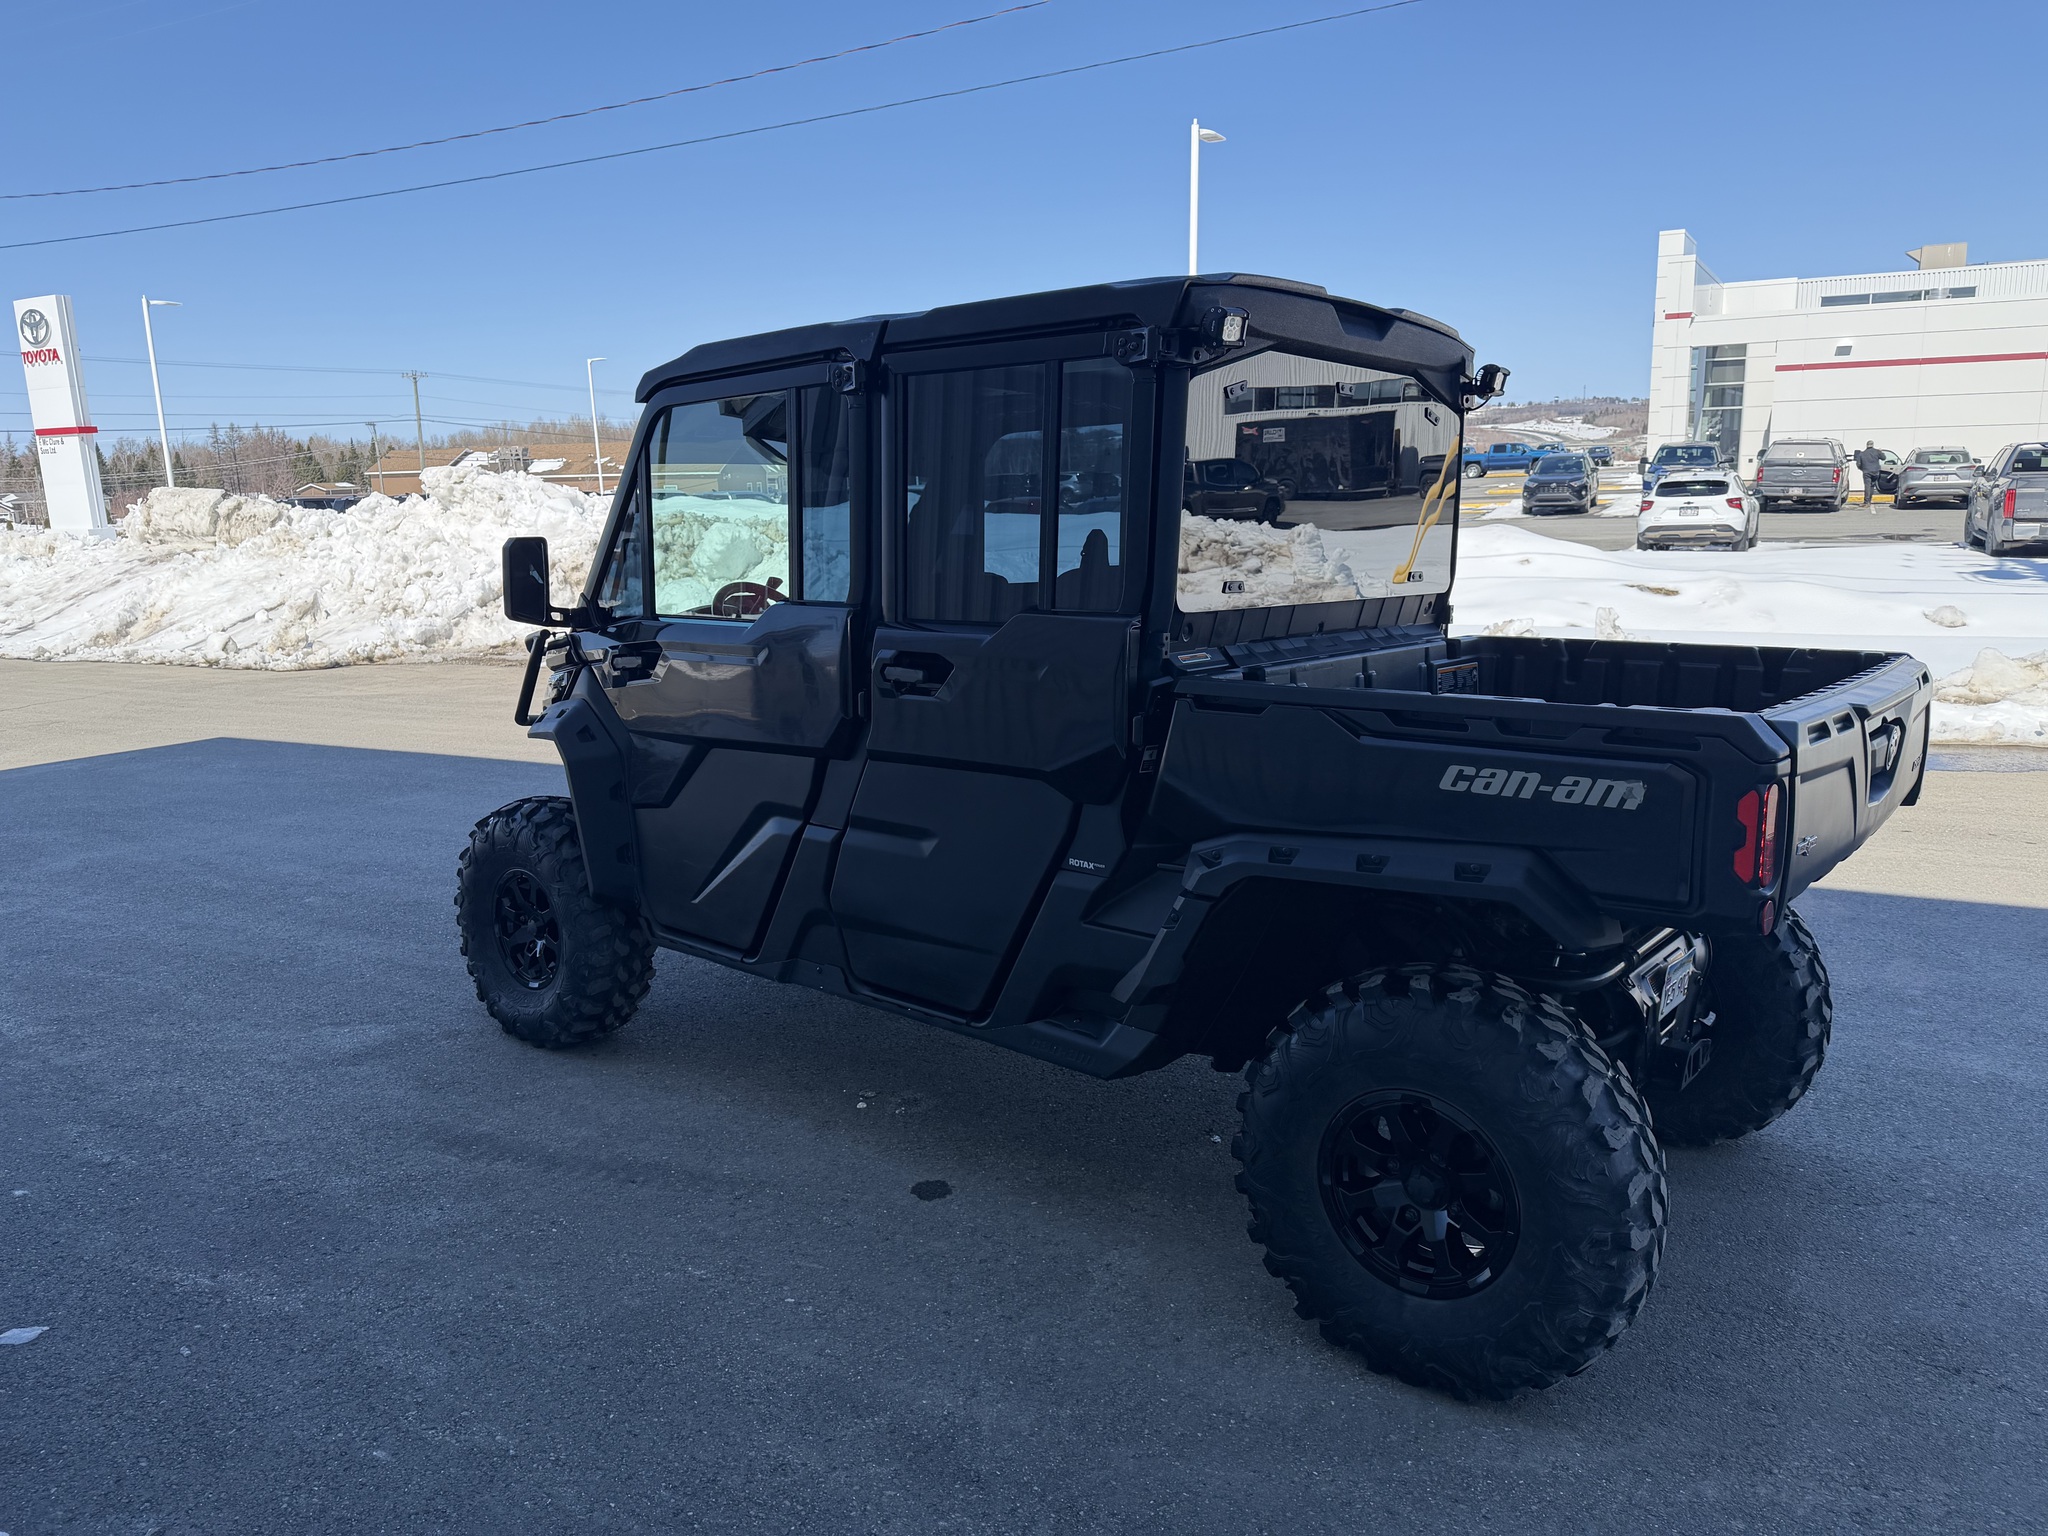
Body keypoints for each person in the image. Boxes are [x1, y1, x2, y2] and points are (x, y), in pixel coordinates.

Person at [1855, 441, 1883, 508]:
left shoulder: (1862, 454)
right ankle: (1869, 501)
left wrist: (1862, 469)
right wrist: (1880, 452)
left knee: (1867, 486)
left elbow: (1858, 464)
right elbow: (1884, 457)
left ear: (1866, 445)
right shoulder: (1877, 452)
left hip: (1867, 472)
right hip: (1876, 472)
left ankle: (1866, 502)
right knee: (1872, 486)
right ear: (1872, 445)